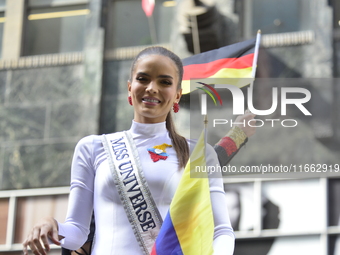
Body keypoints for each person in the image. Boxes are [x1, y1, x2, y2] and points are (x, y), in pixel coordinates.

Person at [23, 46, 253, 255]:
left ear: (178, 94)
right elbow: (77, 234)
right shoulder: (92, 148)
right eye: (143, 79)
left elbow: (221, 230)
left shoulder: (199, 154)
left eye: (164, 82)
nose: (152, 88)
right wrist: (51, 225)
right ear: (130, 86)